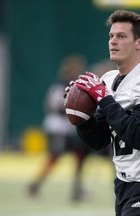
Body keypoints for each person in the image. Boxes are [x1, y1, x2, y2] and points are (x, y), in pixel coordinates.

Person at [65, 10, 140, 216]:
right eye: (111, 36)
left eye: (121, 36)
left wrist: (105, 99)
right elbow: (99, 140)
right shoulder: (109, 79)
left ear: (139, 43)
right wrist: (80, 116)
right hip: (124, 183)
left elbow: (139, 137)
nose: (113, 41)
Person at [28, 55, 91, 201]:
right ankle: (36, 184)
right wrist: (72, 111)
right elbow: (53, 106)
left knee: (80, 155)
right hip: (59, 128)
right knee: (55, 157)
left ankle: (77, 188)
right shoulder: (59, 85)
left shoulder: (77, 85)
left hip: (70, 128)